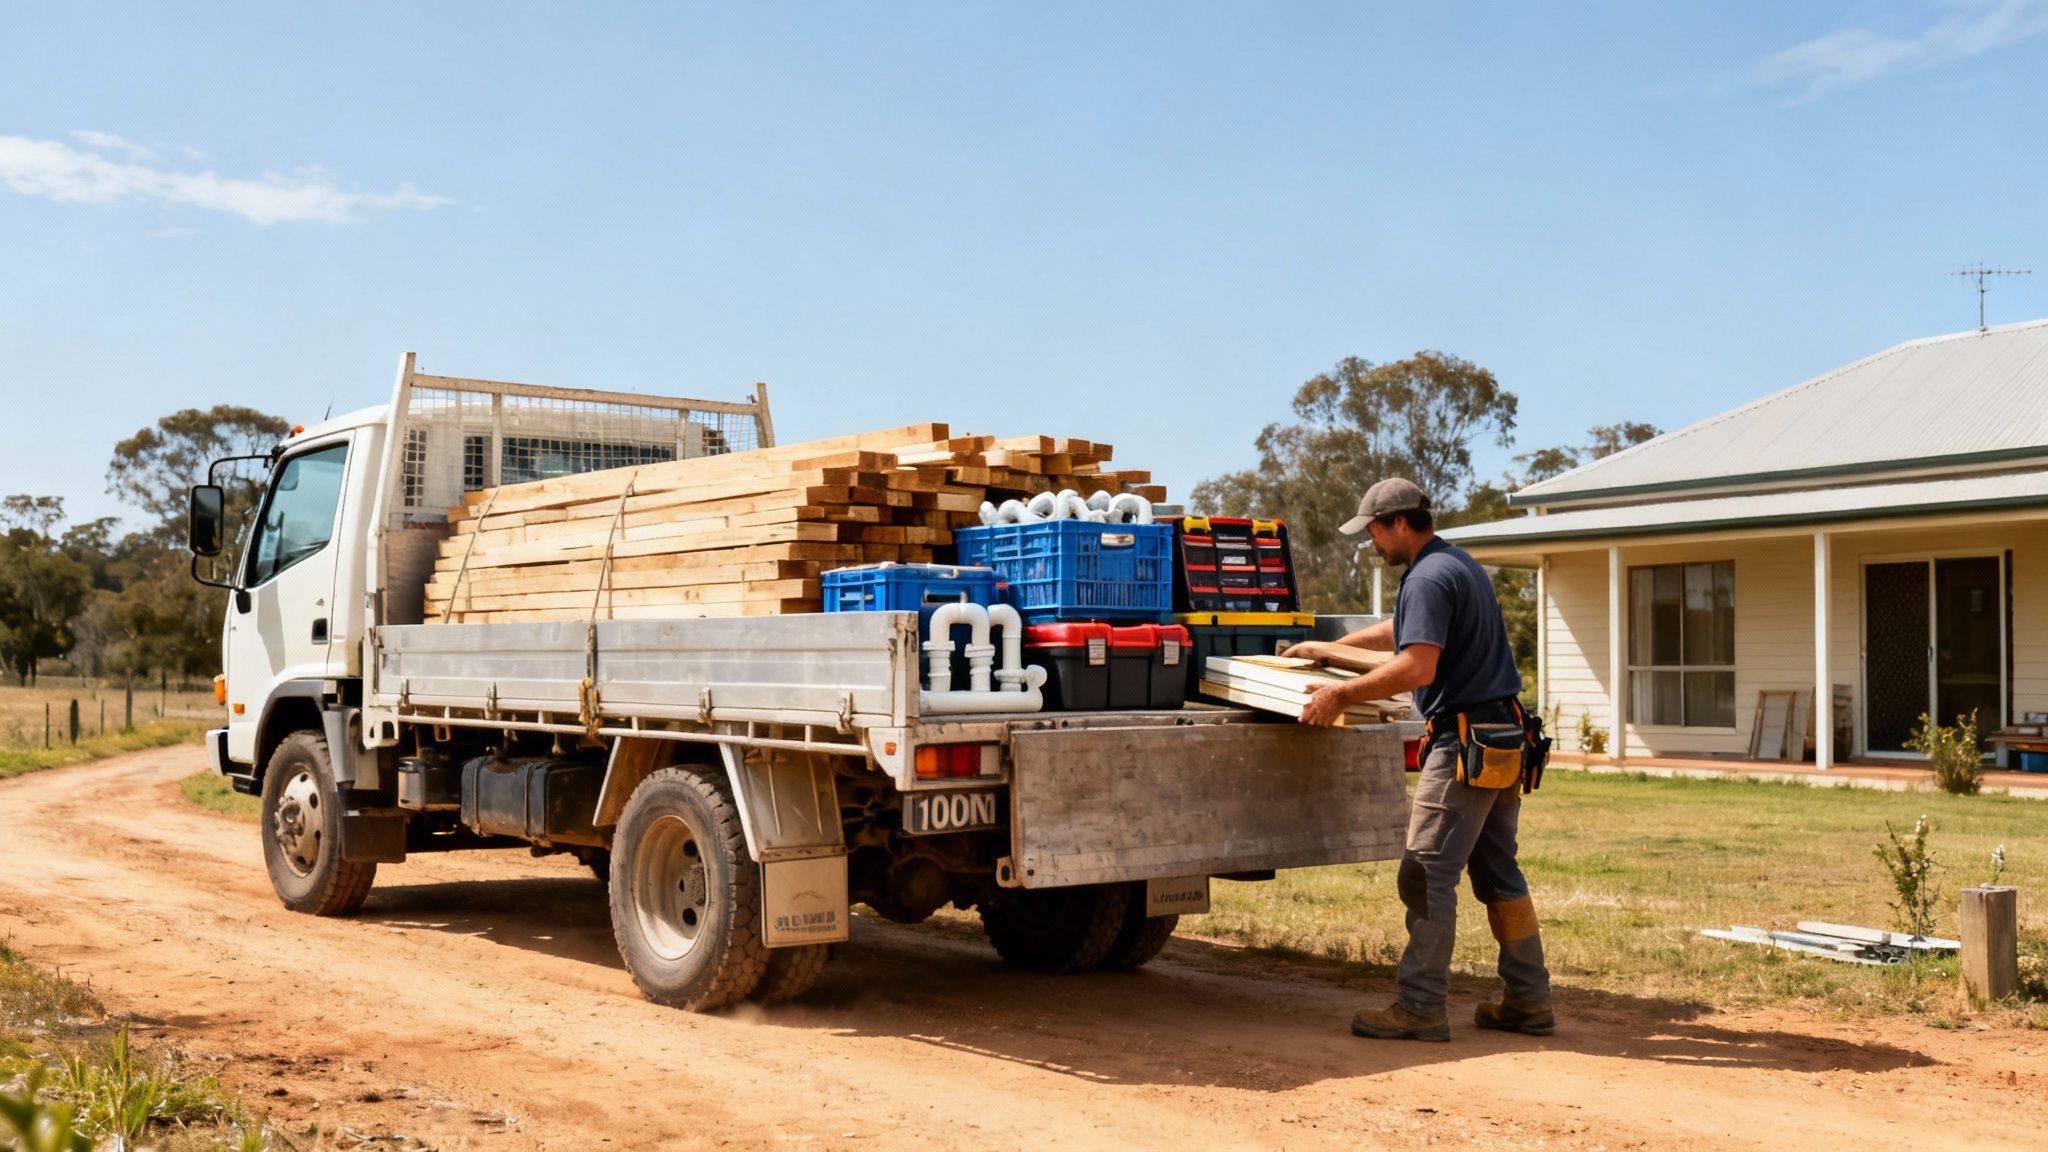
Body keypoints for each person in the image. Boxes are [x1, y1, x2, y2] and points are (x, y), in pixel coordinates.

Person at [1289, 477, 1553, 1043]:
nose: (1373, 545)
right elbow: (1406, 631)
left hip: (1463, 745)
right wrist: (1330, 649)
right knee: (1497, 870)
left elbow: (1418, 667)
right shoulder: (1455, 565)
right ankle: (1529, 1000)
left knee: (1426, 874)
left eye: (1375, 532)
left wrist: (1338, 694)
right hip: (1499, 739)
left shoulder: (1428, 576)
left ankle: (1421, 1006)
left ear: (1399, 522)